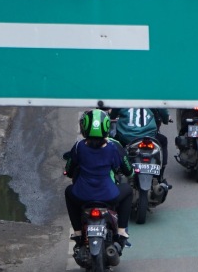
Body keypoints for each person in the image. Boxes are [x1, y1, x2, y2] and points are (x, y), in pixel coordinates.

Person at [64, 109, 134, 252]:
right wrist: (130, 172)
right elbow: (127, 170)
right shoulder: (113, 147)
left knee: (68, 191)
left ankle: (77, 233)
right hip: (109, 196)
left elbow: (69, 170)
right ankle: (121, 231)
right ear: (107, 127)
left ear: (85, 128)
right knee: (128, 190)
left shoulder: (79, 147)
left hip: (82, 196)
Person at [109, 107, 171, 178]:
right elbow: (163, 110)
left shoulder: (123, 96)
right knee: (163, 140)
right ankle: (161, 174)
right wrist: (166, 120)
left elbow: (113, 114)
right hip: (149, 135)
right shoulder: (152, 96)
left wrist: (112, 115)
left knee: (114, 145)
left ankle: (116, 172)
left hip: (127, 137)